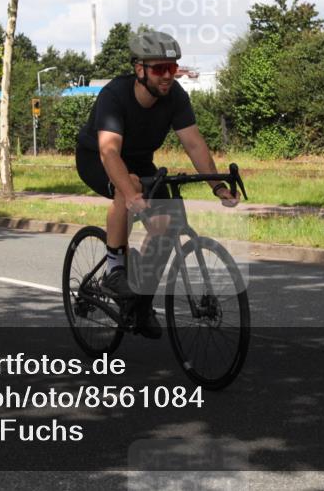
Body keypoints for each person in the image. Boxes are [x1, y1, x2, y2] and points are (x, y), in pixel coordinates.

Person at [75, 31, 237, 339]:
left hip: (139, 161)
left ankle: (139, 304)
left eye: (172, 68)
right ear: (140, 70)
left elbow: (194, 144)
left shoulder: (175, 96)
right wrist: (129, 192)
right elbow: (109, 151)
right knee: (129, 186)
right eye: (160, 69)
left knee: (167, 222)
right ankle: (115, 271)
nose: (168, 76)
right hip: (96, 158)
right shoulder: (114, 95)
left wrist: (217, 186)